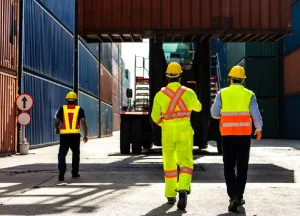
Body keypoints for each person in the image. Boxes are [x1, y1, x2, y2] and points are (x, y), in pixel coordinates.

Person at [210, 65, 263, 212]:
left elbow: (214, 113)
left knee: (228, 166)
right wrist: (258, 129)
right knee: (242, 167)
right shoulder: (249, 94)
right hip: (244, 136)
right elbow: (256, 114)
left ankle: (233, 195)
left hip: (227, 136)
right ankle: (239, 195)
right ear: (243, 80)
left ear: (231, 78)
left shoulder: (223, 93)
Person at [151, 62, 202, 210]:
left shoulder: (160, 95)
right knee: (186, 162)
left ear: (167, 77)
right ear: (180, 76)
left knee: (169, 165)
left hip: (167, 132)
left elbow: (155, 116)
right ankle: (183, 189)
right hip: (184, 131)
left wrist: (164, 124)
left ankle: (170, 194)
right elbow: (198, 108)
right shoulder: (189, 92)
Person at [54, 91, 88, 181]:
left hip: (64, 135)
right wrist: (86, 134)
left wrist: (57, 129)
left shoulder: (62, 109)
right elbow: (83, 122)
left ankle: (61, 172)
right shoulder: (79, 109)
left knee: (62, 153)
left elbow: (57, 121)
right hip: (75, 135)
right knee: (76, 154)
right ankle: (75, 172)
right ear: (76, 100)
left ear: (67, 100)